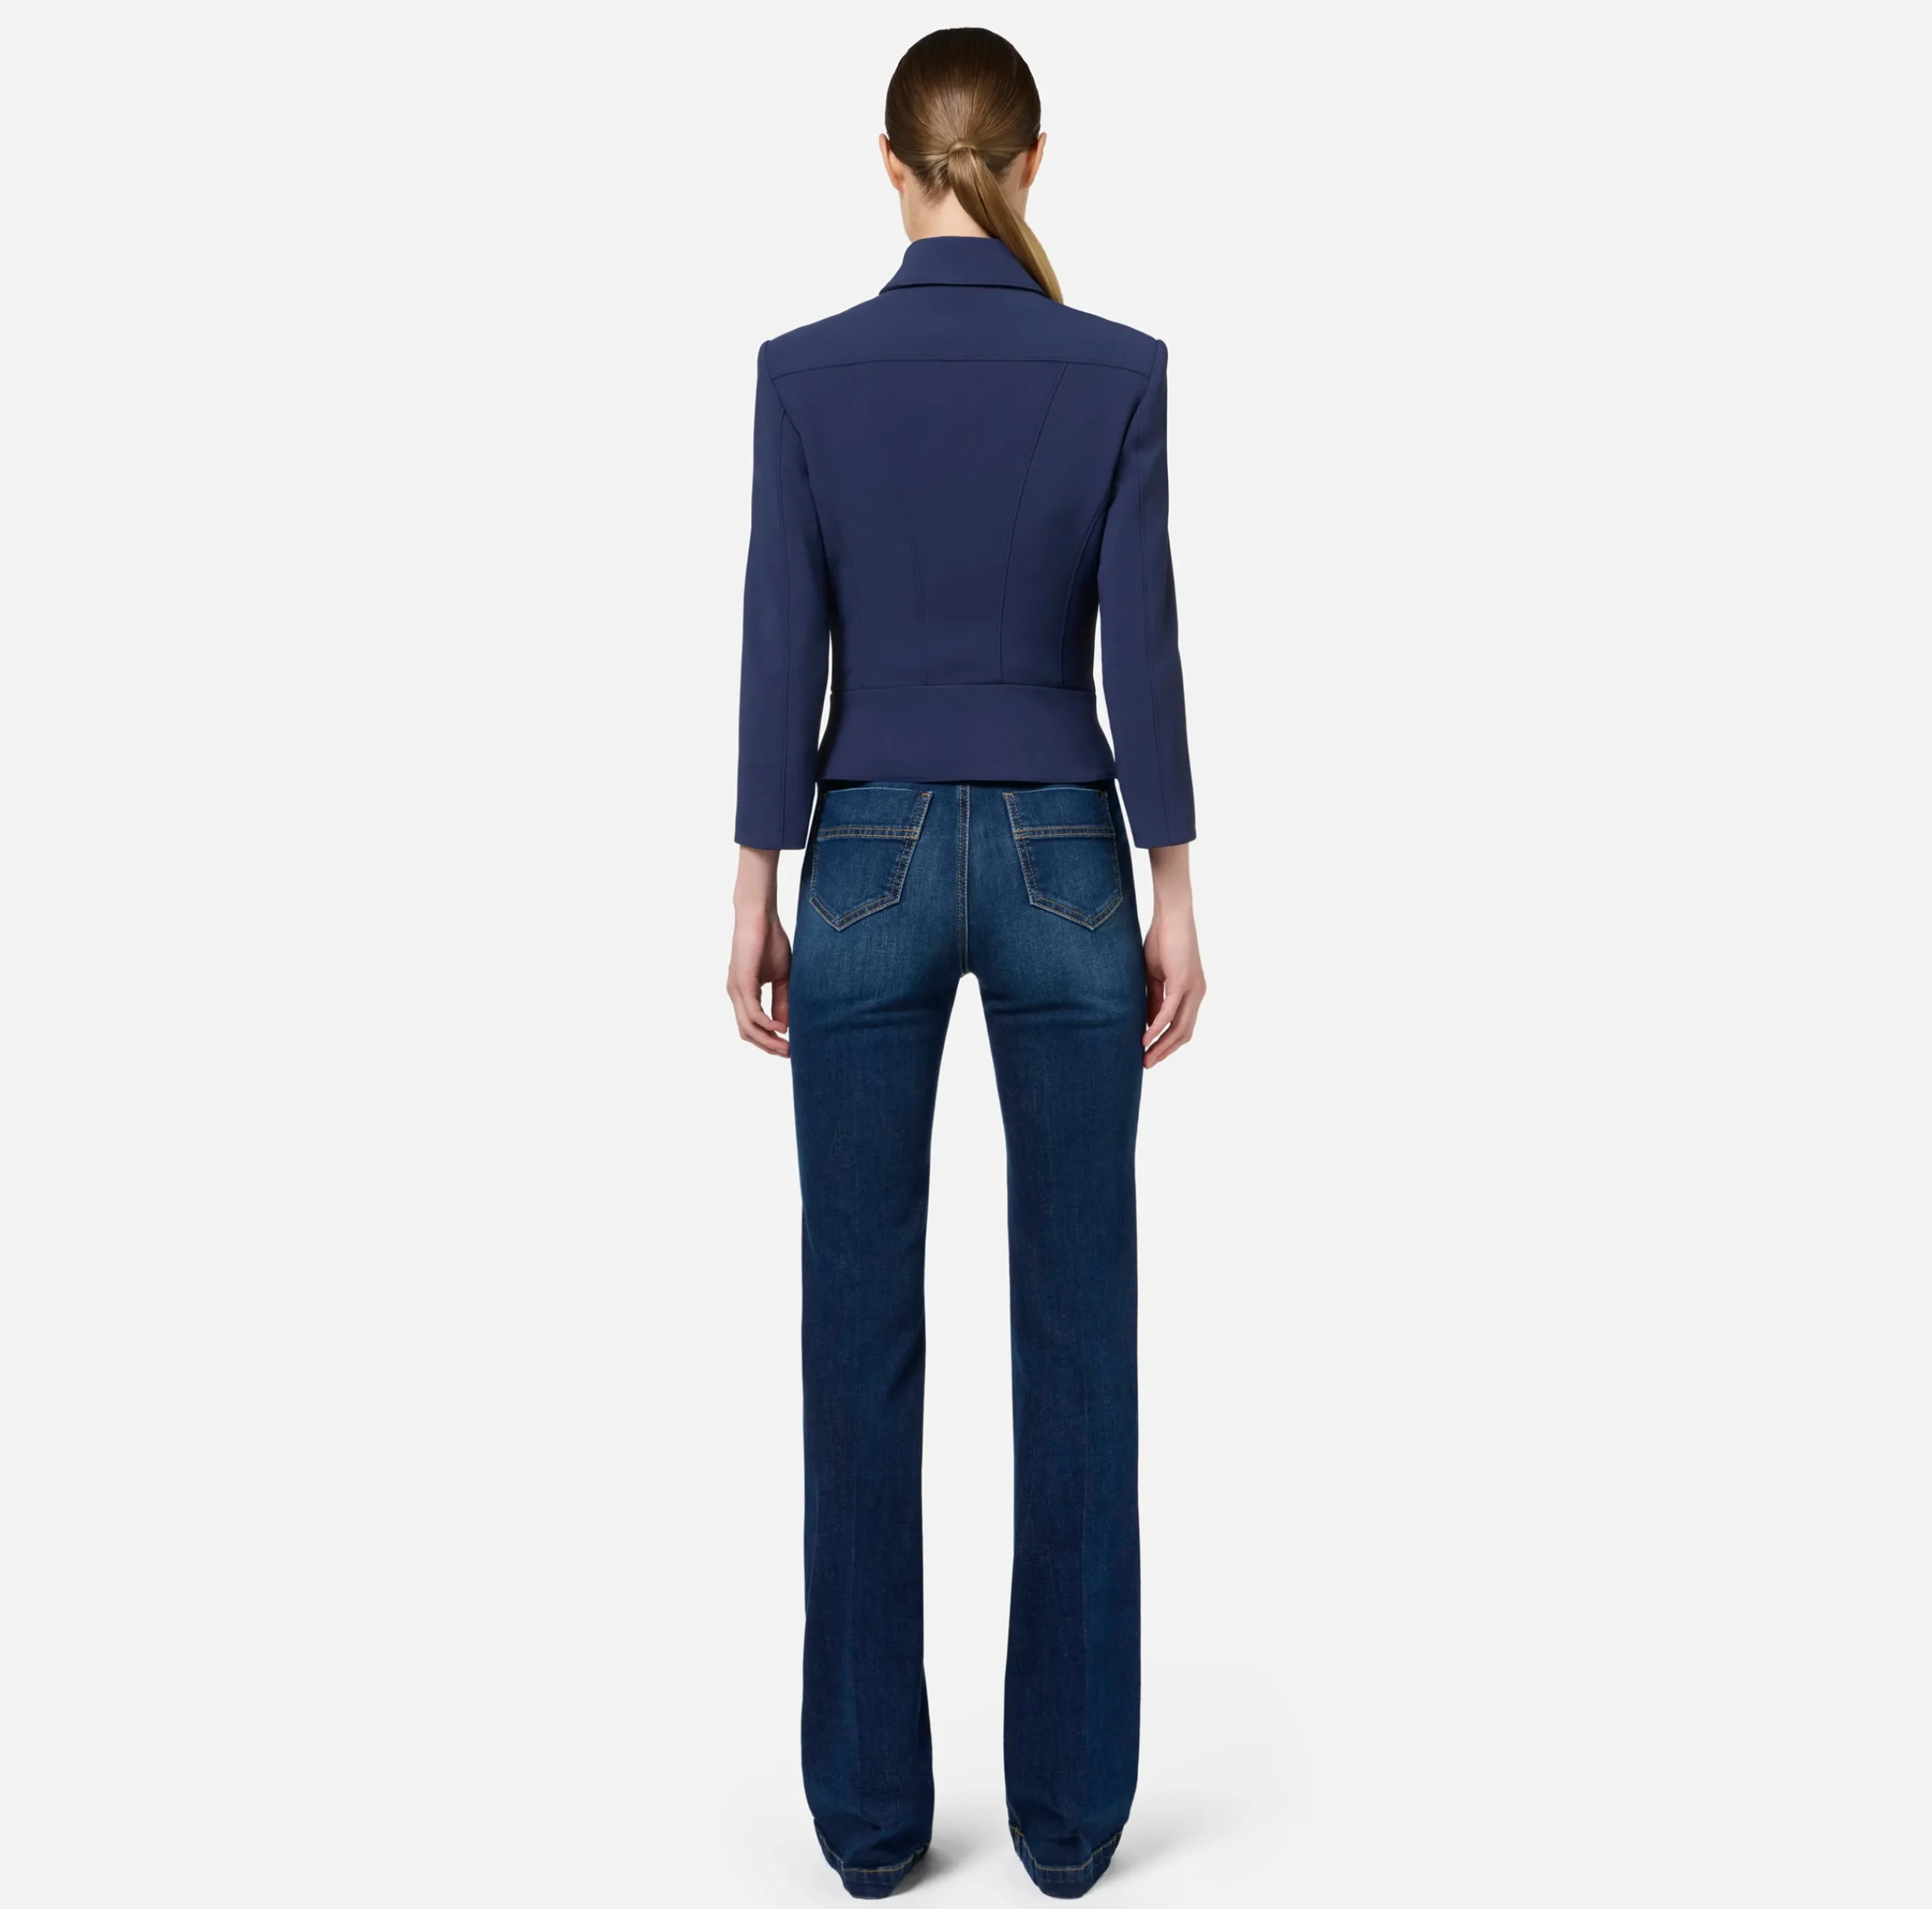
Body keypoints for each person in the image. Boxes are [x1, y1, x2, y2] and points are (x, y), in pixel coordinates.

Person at [724, 28, 1204, 1900]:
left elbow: (782, 635)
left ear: (887, 162)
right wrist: (1173, 882)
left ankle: (868, 1821)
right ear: (1030, 160)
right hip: (1066, 853)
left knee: (856, 1333)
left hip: (861, 855)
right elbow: (1139, 644)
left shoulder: (803, 374)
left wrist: (753, 877)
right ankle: (1069, 1821)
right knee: (1079, 1330)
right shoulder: (1114, 371)